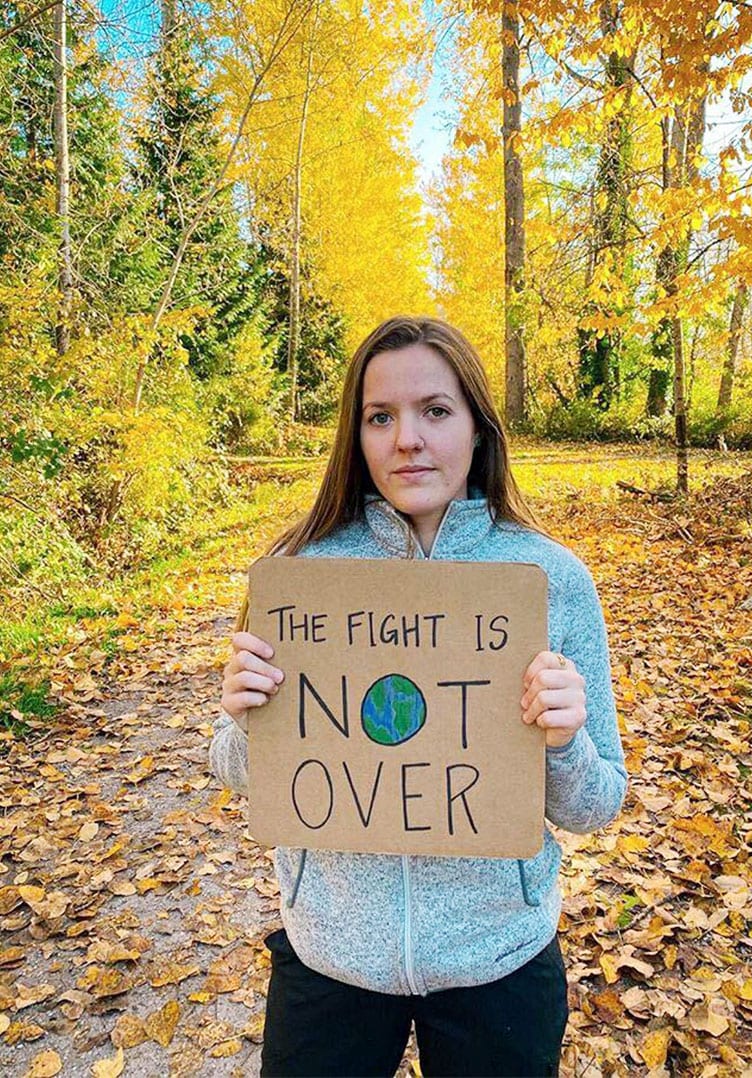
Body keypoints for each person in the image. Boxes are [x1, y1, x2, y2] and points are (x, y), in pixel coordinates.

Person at [209, 315, 627, 1078]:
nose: (408, 438)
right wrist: (243, 721)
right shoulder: (301, 573)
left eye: (435, 411)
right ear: (357, 435)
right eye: (381, 416)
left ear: (477, 427)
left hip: (496, 957)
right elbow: (238, 773)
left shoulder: (551, 580)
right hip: (331, 955)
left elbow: (596, 806)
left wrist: (564, 742)